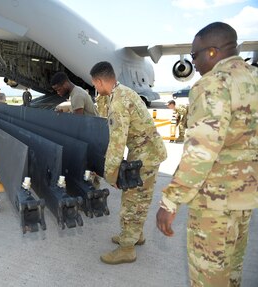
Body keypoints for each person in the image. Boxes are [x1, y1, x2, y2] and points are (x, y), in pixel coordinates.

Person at [156, 22, 258, 286]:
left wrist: (170, 202)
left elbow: (200, 153)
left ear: (212, 52)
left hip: (215, 205)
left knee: (209, 278)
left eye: (195, 56)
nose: (195, 64)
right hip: (245, 201)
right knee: (232, 273)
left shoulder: (212, 84)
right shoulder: (253, 79)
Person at [90, 61, 167, 264]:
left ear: (99, 81)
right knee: (139, 199)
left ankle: (127, 249)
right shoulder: (123, 91)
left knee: (132, 202)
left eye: (95, 85)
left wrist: (110, 174)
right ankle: (135, 235)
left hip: (145, 157)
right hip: (147, 152)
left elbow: (117, 143)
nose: (95, 89)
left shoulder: (118, 103)